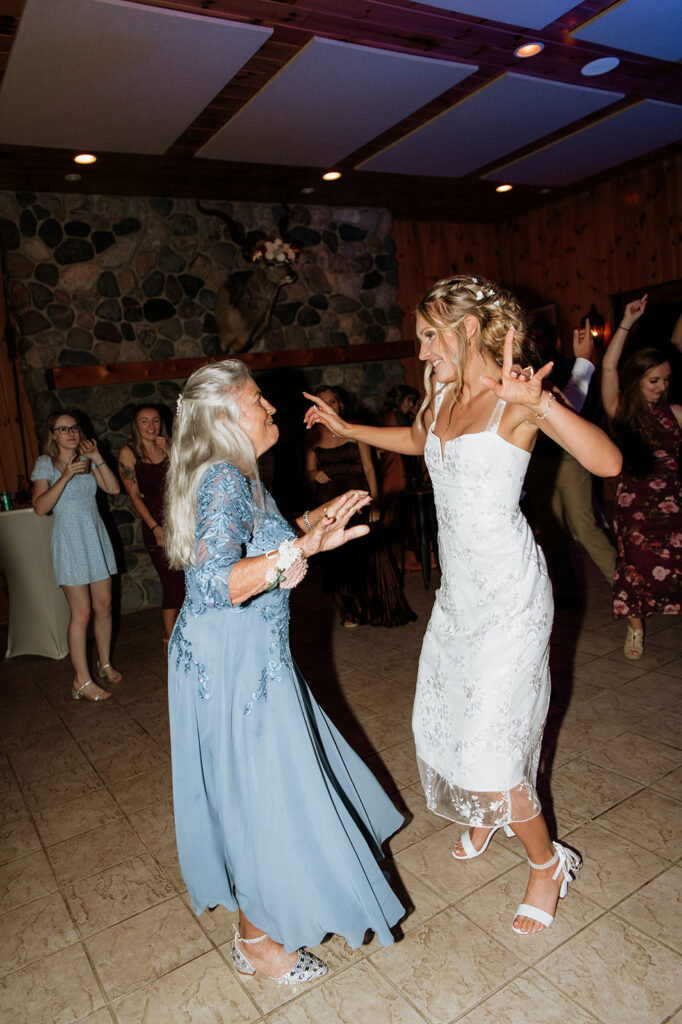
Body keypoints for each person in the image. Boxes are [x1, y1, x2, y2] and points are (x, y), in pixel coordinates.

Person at [305, 274, 622, 935]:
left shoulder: (517, 398)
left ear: (467, 328)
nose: (420, 353)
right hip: (460, 595)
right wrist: (347, 426)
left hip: (510, 593)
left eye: (427, 337)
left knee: (489, 746)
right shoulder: (443, 395)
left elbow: (609, 462)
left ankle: (546, 862)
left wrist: (547, 407)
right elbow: (422, 444)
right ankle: (482, 815)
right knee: (443, 716)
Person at [164, 360, 404, 984]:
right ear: (224, 419)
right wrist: (303, 548)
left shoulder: (241, 476)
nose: (271, 409)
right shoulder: (221, 478)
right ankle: (255, 940)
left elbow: (253, 542)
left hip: (249, 655)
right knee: (258, 796)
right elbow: (215, 582)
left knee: (269, 787)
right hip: (231, 663)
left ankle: (262, 920)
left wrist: (309, 525)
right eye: (257, 401)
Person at [601, 294, 682, 660]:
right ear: (637, 379)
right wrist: (625, 323)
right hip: (634, 506)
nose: (662, 387)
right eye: (654, 380)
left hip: (672, 504)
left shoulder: (676, 414)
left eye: (665, 380)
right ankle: (635, 629)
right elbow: (607, 369)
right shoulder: (620, 410)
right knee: (635, 566)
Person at [305, 384, 415, 628]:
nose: (329, 406)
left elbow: (369, 468)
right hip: (330, 502)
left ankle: (383, 609)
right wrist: (315, 475)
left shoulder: (353, 427)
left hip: (358, 499)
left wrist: (375, 502)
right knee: (339, 559)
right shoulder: (312, 435)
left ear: (340, 404)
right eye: (322, 402)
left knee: (371, 555)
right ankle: (351, 612)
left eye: (332, 401)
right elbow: (307, 472)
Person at [31, 409, 121, 702]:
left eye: (74, 427)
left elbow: (113, 487)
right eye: (62, 429)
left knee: (104, 606)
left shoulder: (87, 458)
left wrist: (96, 459)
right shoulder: (46, 463)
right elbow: (41, 507)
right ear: (53, 435)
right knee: (81, 613)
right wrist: (66, 475)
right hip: (69, 540)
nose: (70, 433)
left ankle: (104, 662)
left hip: (94, 536)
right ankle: (81, 680)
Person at [524, 320, 616, 607]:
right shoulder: (523, 369)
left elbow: (572, 407)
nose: (534, 342)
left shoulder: (563, 366)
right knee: (549, 530)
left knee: (584, 526)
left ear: (552, 339)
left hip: (568, 459)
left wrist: (583, 363)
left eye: (539, 337)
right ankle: (565, 592)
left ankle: (625, 588)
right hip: (538, 461)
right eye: (531, 338)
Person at [118, 406, 185, 648]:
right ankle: (170, 639)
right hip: (156, 525)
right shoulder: (129, 453)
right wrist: (156, 528)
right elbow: (134, 496)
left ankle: (189, 635)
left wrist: (170, 453)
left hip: (180, 521)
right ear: (136, 425)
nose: (151, 426)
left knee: (189, 579)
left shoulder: (168, 446)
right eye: (144, 421)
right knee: (172, 582)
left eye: (155, 420)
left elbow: (184, 481)